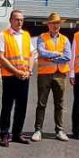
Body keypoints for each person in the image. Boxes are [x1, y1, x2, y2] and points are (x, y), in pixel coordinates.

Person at [0, 9, 36, 146]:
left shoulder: (26, 35)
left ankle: (17, 133)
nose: (20, 22)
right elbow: (1, 57)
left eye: (21, 20)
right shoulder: (3, 35)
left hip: (24, 76)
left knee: (22, 106)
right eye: (17, 19)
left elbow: (31, 54)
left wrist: (30, 70)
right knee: (7, 106)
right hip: (9, 76)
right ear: (10, 20)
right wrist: (16, 72)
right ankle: (4, 134)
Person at [33, 13, 71, 142]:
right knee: (41, 103)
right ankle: (38, 130)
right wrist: (56, 54)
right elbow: (41, 52)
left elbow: (68, 56)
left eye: (57, 23)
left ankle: (59, 130)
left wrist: (51, 57)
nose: (55, 26)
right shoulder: (42, 37)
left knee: (59, 103)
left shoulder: (65, 39)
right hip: (45, 74)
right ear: (48, 24)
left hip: (60, 75)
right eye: (53, 23)